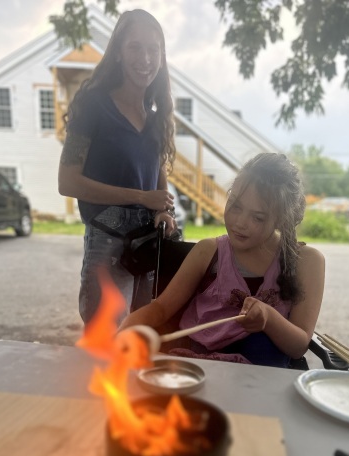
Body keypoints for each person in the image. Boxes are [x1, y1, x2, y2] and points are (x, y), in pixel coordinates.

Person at [120, 153, 325, 367]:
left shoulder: (306, 261)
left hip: (259, 377)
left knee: (262, 342)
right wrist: (127, 327)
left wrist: (269, 318)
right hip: (200, 365)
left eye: (258, 217)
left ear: (281, 219)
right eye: (235, 206)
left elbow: (298, 346)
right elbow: (161, 309)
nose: (240, 222)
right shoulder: (209, 252)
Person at [58, 9, 177, 325]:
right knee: (106, 345)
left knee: (142, 340)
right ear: (118, 53)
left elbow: (158, 180)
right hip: (107, 243)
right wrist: (140, 197)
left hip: (148, 246)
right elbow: (67, 182)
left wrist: (163, 211)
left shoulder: (155, 119)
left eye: (153, 49)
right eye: (135, 47)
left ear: (162, 57)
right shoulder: (92, 105)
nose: (145, 58)